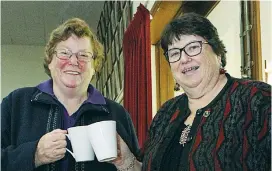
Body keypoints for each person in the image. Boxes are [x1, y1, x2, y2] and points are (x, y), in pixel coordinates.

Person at [113, 12, 271, 171]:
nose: (184, 59)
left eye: (193, 47)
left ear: (217, 52)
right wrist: (126, 161)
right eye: (175, 53)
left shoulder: (257, 99)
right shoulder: (166, 113)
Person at [1, 18, 140, 171]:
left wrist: (126, 163)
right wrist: (35, 154)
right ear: (50, 61)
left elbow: (138, 167)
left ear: (94, 66)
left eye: (84, 55)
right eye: (64, 53)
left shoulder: (117, 114)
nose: (74, 61)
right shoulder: (16, 104)